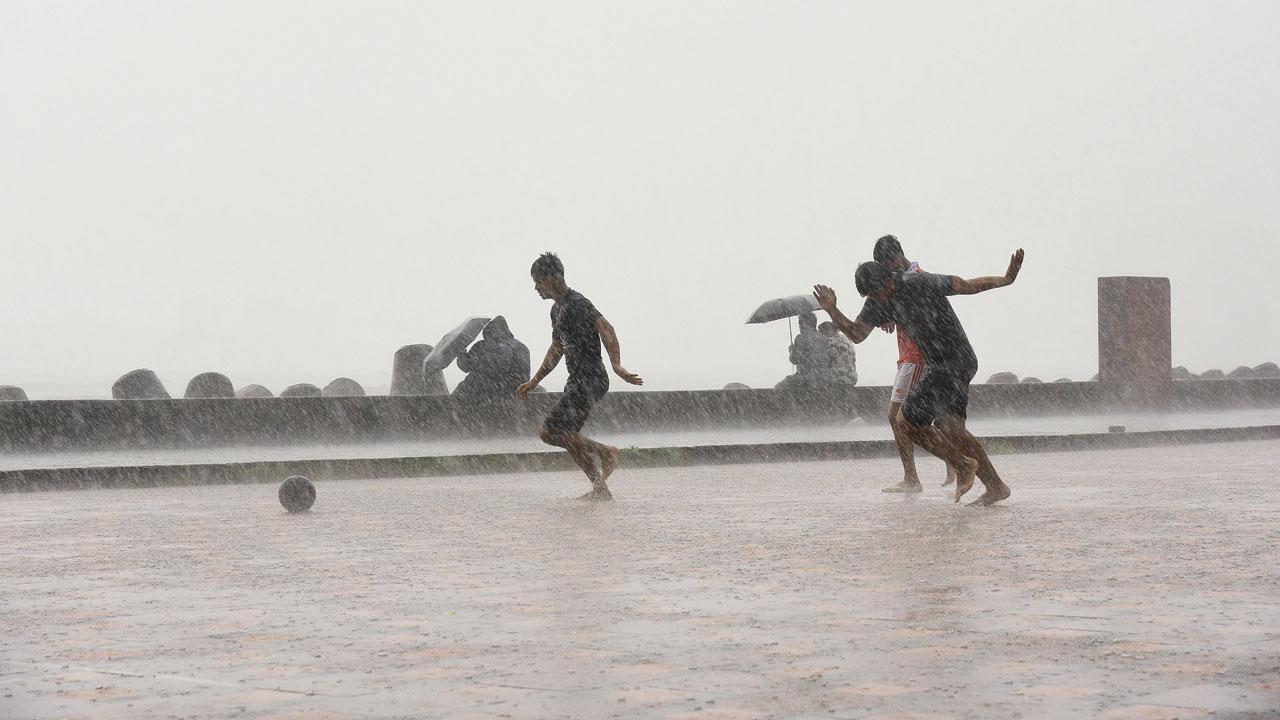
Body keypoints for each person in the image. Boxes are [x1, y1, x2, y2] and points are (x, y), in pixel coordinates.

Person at [812, 248, 1025, 506]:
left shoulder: (918, 282)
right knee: (951, 429)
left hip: (956, 359)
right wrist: (832, 310)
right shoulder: (877, 302)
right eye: (873, 295)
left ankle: (963, 465)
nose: (880, 297)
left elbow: (964, 285)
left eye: (881, 290)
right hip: (943, 365)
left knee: (905, 421)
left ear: (888, 279)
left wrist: (1006, 279)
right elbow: (857, 333)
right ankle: (996, 486)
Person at [516, 252, 644, 501]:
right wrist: (534, 381)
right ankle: (600, 489)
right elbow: (556, 349)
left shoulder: (577, 302)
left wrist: (617, 365)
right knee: (569, 438)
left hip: (591, 378)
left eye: (538, 281)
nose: (535, 287)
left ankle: (607, 452)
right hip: (577, 381)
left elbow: (606, 328)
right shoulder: (556, 310)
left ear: (554, 277)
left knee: (549, 431)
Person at [871, 235, 957, 493]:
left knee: (898, 417)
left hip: (916, 357)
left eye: (887, 266)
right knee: (928, 418)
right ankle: (952, 463)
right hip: (910, 357)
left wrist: (893, 317)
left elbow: (925, 317)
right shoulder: (909, 279)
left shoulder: (916, 278)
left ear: (897, 257)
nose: (888, 274)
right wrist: (889, 317)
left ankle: (916, 476)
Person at [453, 316, 531, 402]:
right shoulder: (521, 347)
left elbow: (465, 366)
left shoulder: (481, 346)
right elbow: (523, 378)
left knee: (451, 403)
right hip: (507, 398)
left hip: (473, 393)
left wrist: (461, 352)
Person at [775, 312, 828, 391]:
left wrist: (791, 350)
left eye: (800, 322)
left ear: (807, 323)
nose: (799, 325)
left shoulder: (800, 338)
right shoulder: (822, 336)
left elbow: (794, 360)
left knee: (778, 388)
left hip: (806, 378)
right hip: (823, 378)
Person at [818, 321, 857, 386]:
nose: (819, 337)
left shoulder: (830, 342)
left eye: (820, 333)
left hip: (839, 379)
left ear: (826, 332)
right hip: (852, 378)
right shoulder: (847, 339)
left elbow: (822, 362)